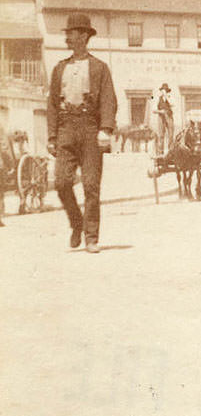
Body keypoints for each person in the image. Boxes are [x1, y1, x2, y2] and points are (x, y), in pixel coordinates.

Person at [46, 13, 117, 253]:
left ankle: (91, 237)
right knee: (62, 182)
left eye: (72, 33)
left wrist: (105, 129)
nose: (67, 36)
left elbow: (108, 100)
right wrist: (52, 137)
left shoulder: (99, 68)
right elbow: (53, 105)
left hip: (90, 129)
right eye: (67, 33)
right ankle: (76, 222)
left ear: (84, 36)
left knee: (91, 185)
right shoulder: (59, 68)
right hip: (66, 127)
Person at [154, 83, 174, 155]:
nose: (164, 91)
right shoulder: (158, 98)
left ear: (167, 91)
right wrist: (160, 111)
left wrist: (167, 97)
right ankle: (160, 152)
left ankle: (171, 152)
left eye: (165, 90)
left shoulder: (170, 97)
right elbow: (154, 110)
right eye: (163, 90)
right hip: (161, 117)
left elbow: (172, 104)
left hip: (169, 116)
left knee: (171, 134)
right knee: (161, 135)